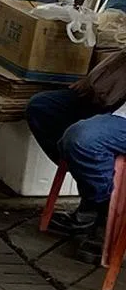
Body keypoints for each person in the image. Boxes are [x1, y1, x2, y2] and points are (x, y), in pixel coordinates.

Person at [28, 49, 126, 255]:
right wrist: (98, 78)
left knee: (83, 140)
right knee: (43, 108)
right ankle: (94, 199)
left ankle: (103, 215)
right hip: (118, 99)